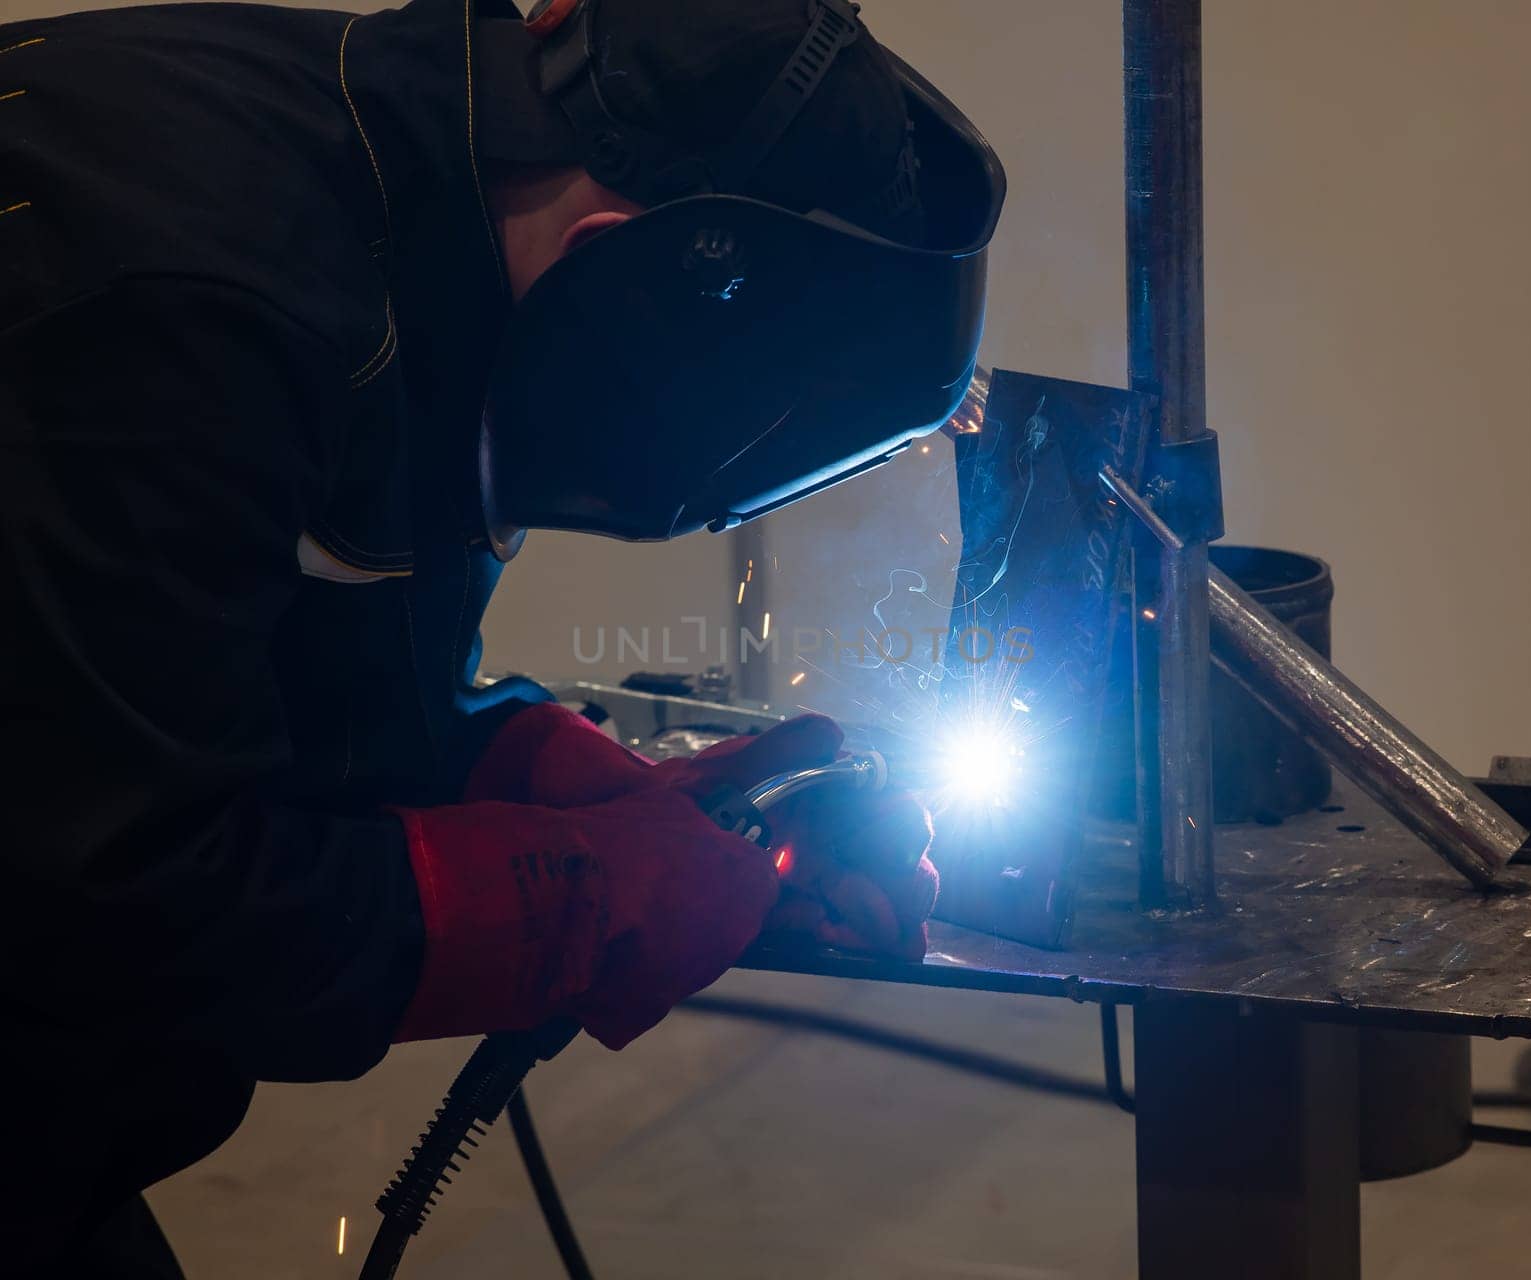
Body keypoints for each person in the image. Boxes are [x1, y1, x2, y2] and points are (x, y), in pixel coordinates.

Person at [0, 0, 1004, 1271]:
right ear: (627, 274)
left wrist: (548, 784)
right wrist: (571, 902)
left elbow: (232, 671)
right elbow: (114, 891)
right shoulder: (185, 282)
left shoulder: (419, 205)